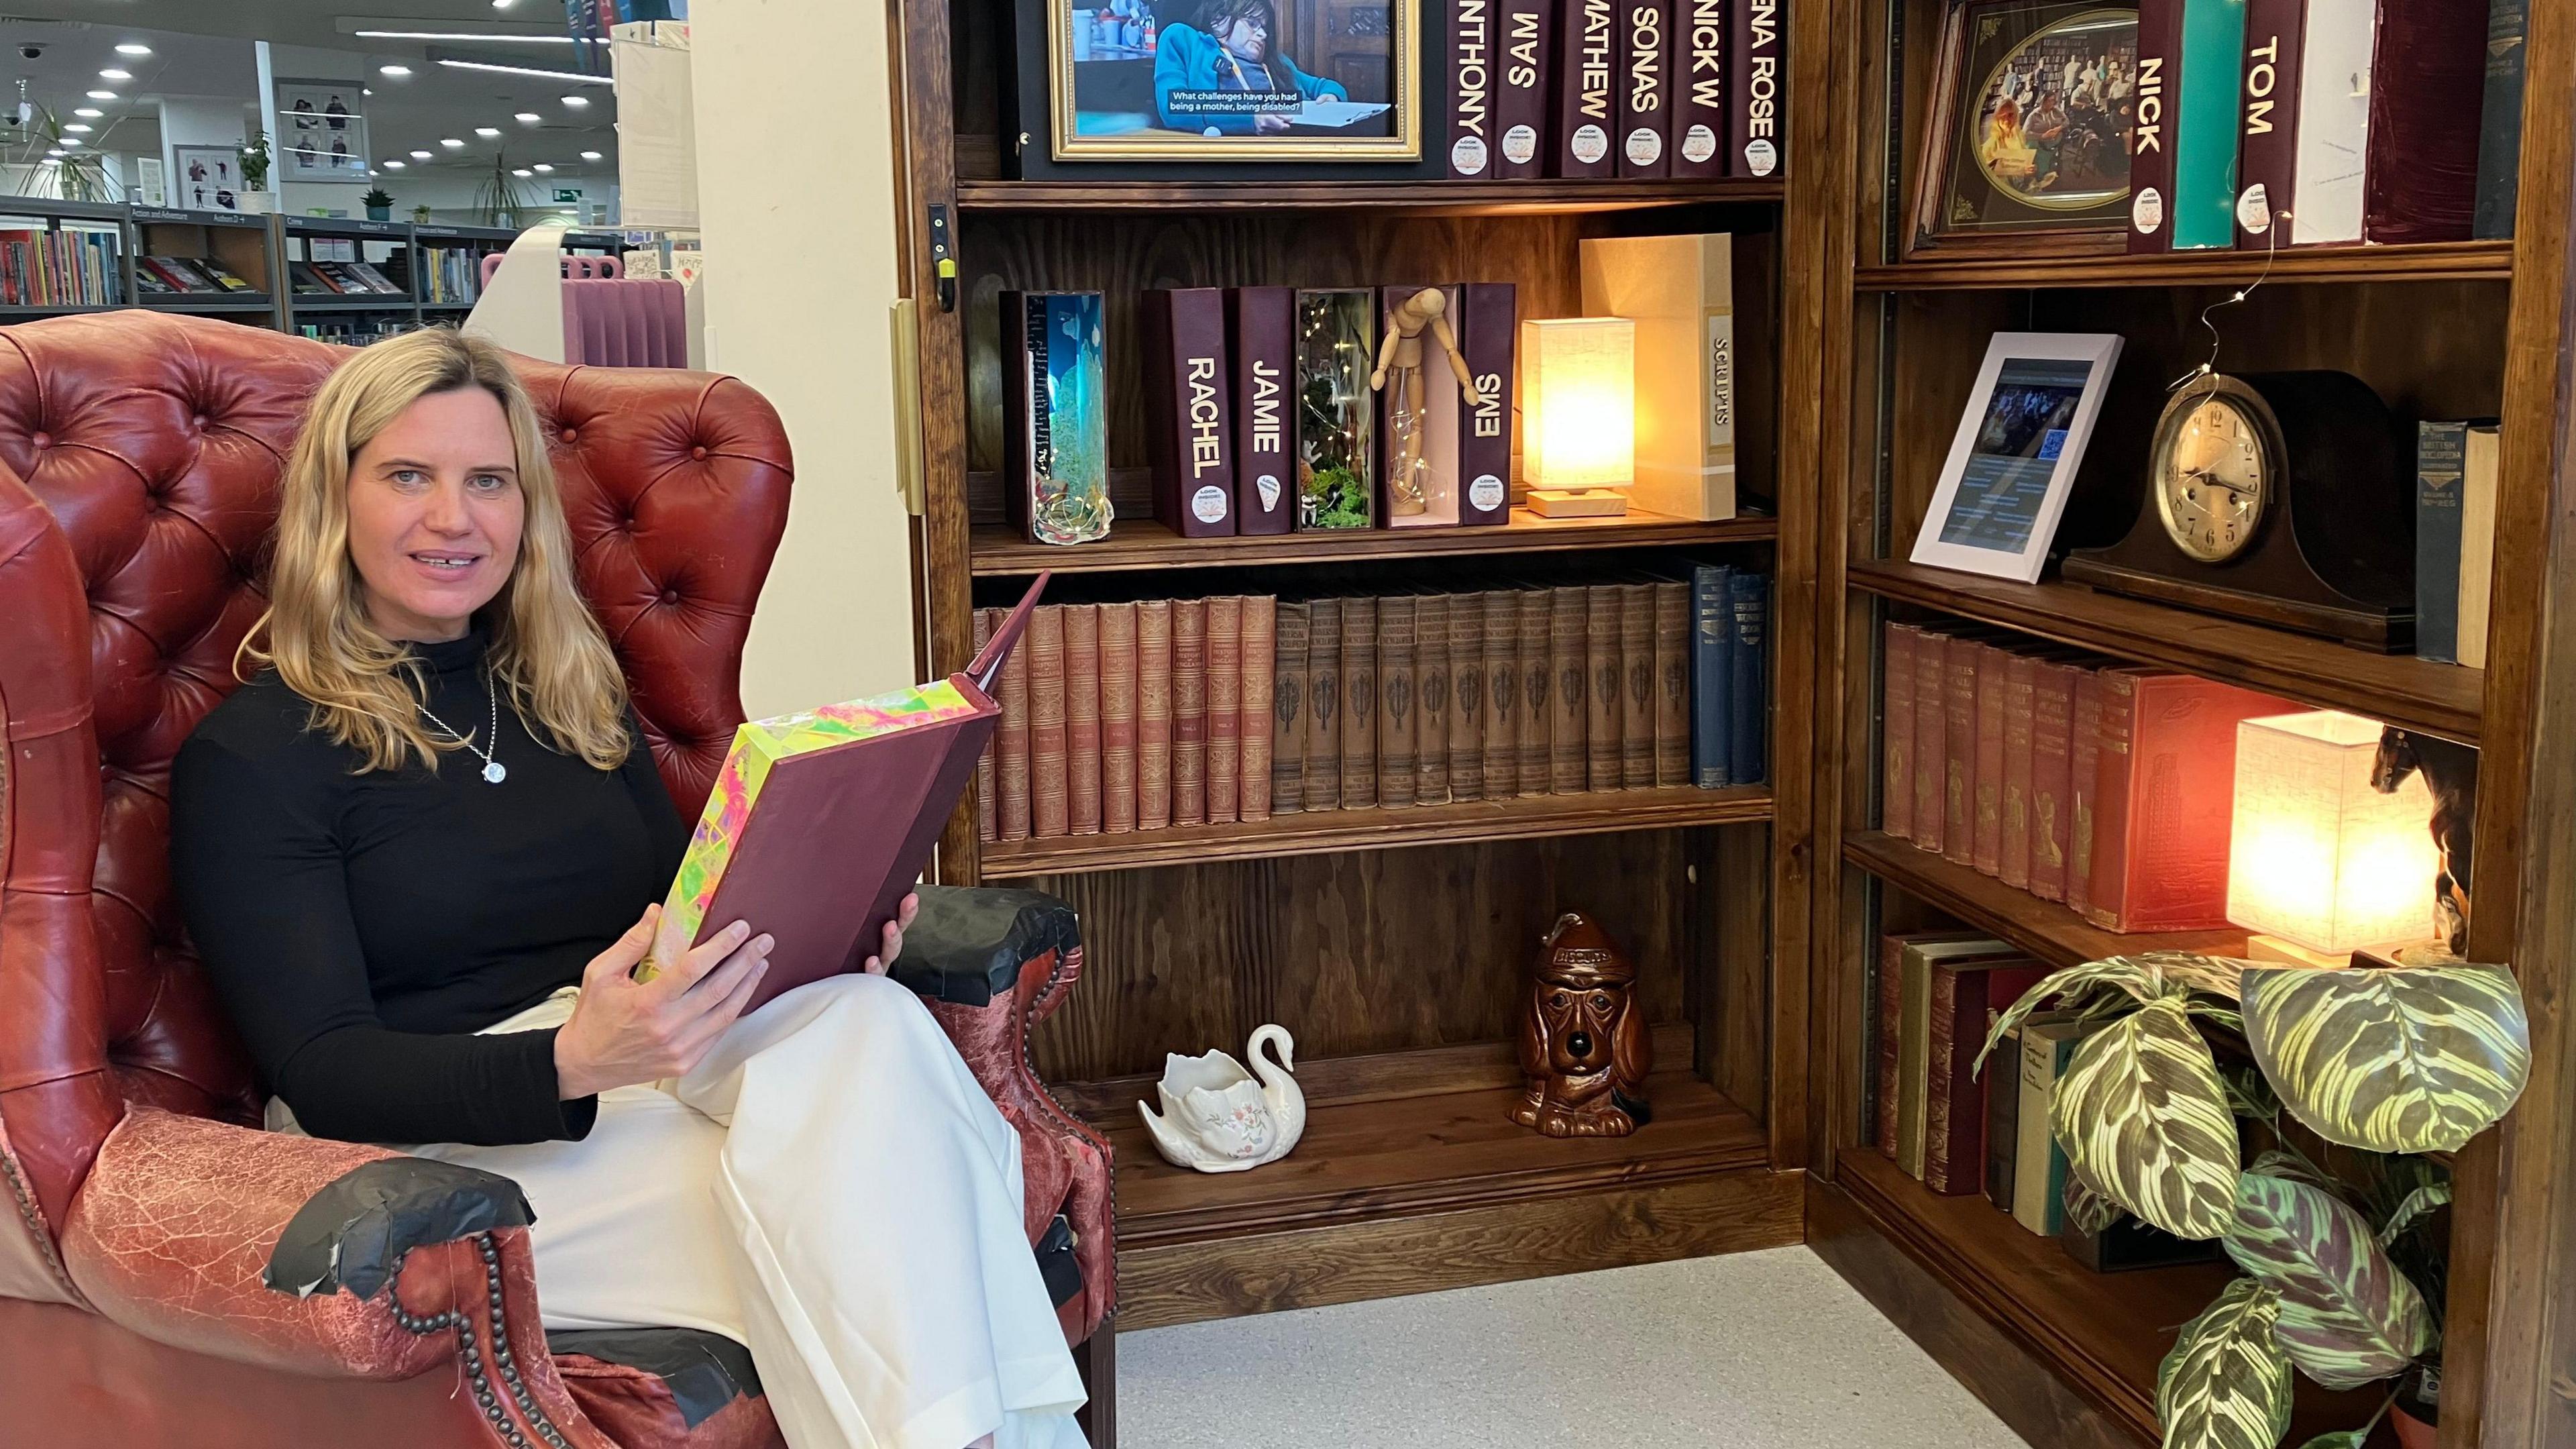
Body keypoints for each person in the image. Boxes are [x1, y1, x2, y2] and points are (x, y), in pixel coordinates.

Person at [170, 328, 1085, 1449]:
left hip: (646, 1067)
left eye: (489, 480)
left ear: (526, 507)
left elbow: (680, 912)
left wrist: (832, 925)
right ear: (335, 499)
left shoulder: (569, 693)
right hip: (438, 1154)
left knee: (869, 1018)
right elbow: (323, 1069)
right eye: (408, 475)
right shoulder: (257, 758)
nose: (454, 519)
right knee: (902, 1199)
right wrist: (571, 1061)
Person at [1152, 0, 1346, 135]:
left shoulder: (1277, 62)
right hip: (1220, 157)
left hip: (1285, 153)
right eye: (1252, 23)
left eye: (1264, 28)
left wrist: (1333, 96)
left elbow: (1324, 87)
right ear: (1219, 20)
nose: (1262, 34)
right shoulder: (1183, 40)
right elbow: (1174, 107)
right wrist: (1250, 119)